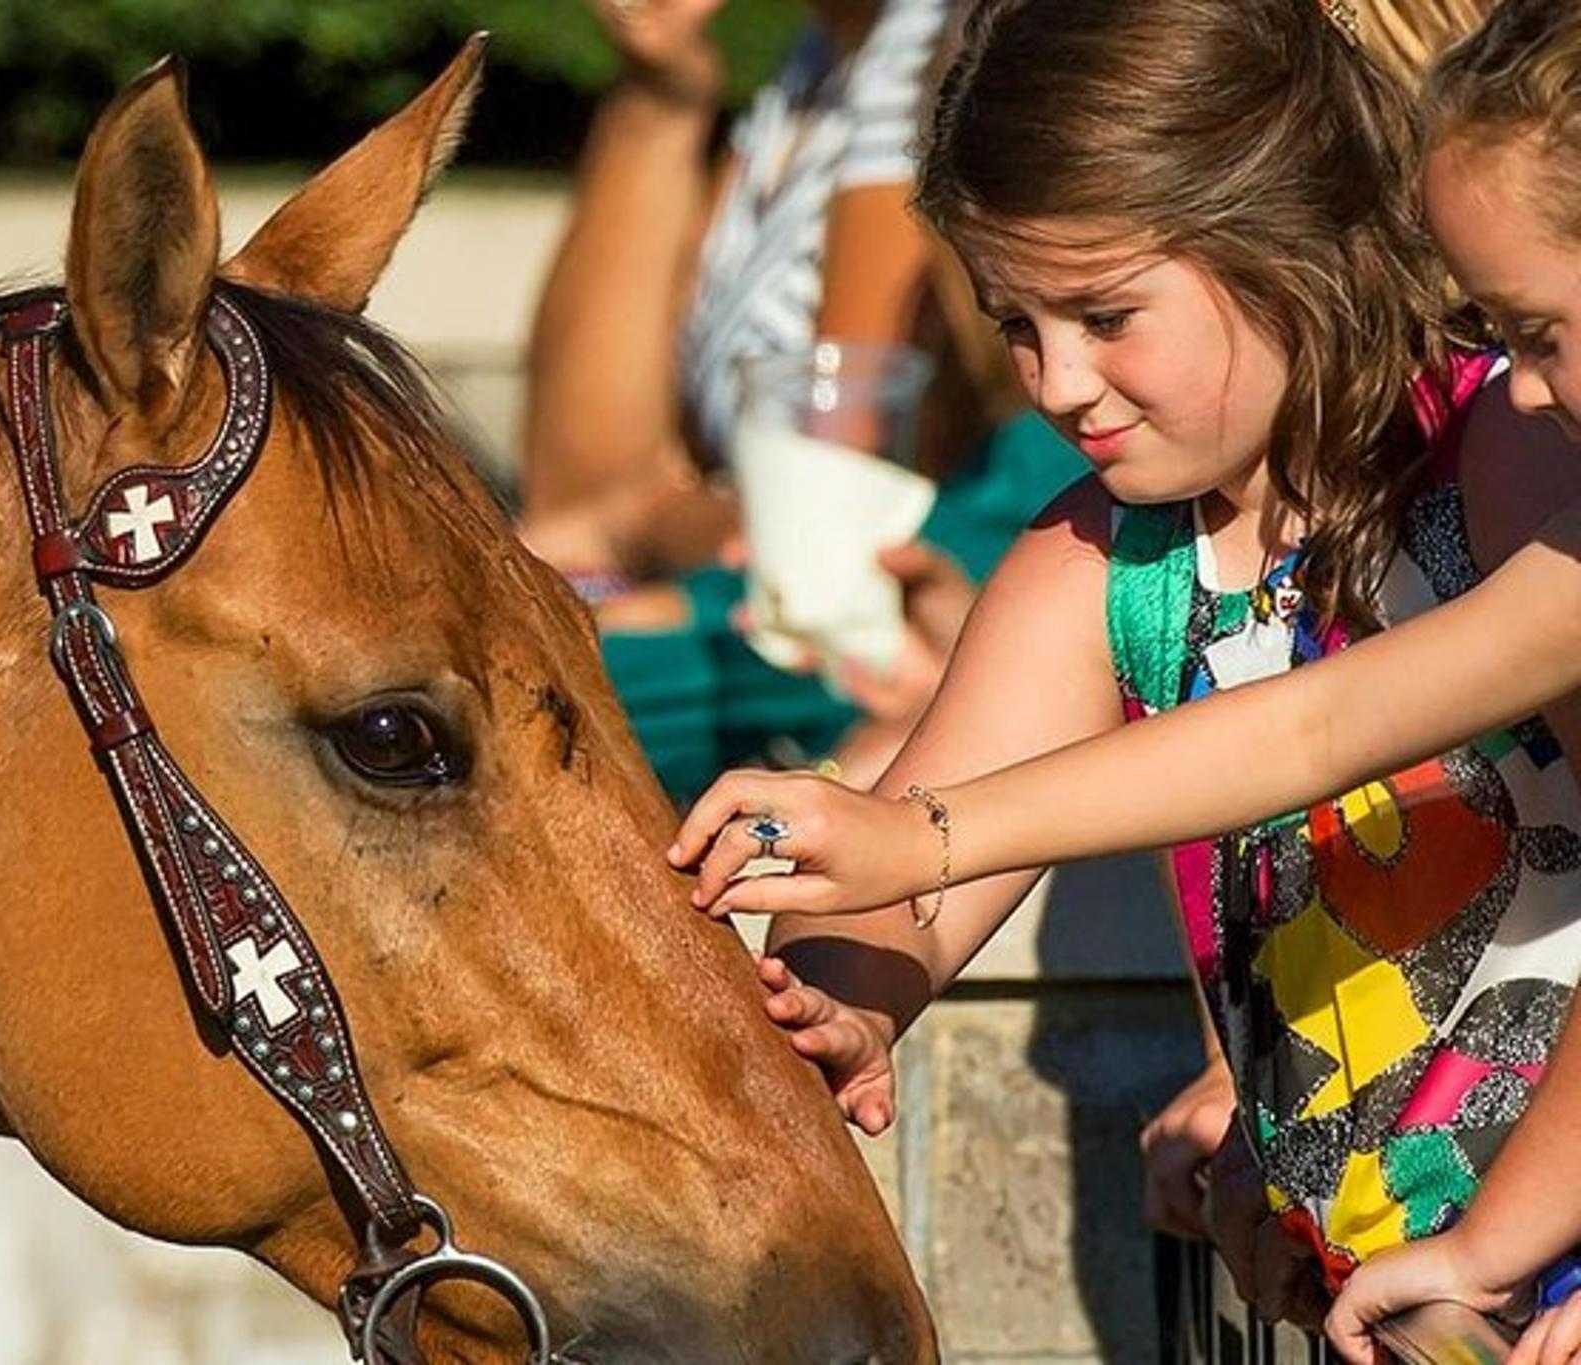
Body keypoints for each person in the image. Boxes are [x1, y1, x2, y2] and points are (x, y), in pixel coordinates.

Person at [665, 0, 1581, 1340]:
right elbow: (907, 879)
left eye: (1105, 314)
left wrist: (1525, 1239)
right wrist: (841, 997)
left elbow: (1305, 729)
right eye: (1015, 324)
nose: (1056, 380)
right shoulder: (1105, 563)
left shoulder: (1506, 451)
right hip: (1400, 1299)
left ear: (1282, 237)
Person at [517, 0, 1085, 801]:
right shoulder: (817, 67)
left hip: (897, 622)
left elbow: (822, 520)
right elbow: (577, 487)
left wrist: (638, 519)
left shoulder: (932, 49)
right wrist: (659, 92)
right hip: (808, 622)